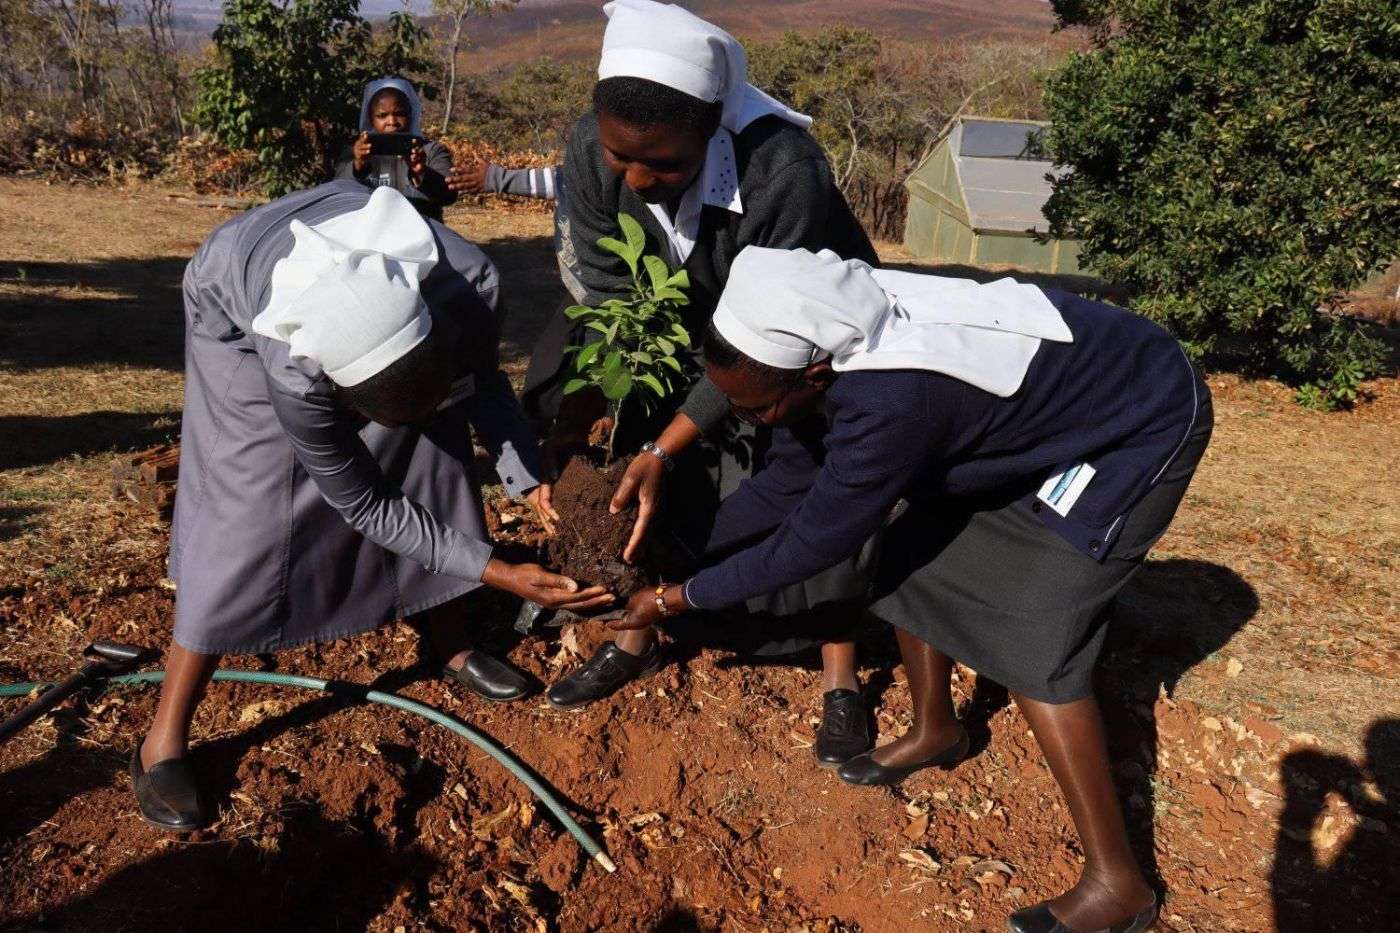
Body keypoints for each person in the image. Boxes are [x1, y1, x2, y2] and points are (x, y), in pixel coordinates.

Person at [615, 246, 1214, 933]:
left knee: (1037, 631)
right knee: (906, 560)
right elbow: (784, 484)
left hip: (1135, 421)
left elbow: (814, 539)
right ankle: (938, 729)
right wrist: (684, 557)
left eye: (757, 406)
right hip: (1037, 411)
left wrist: (675, 600)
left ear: (812, 376)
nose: (749, 419)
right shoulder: (819, 346)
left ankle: (1119, 883)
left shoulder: (892, 394)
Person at [135, 183, 613, 833]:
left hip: (386, 300)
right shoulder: (293, 369)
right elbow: (362, 499)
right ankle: (163, 739)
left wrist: (526, 478)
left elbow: (480, 379)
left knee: (434, 450)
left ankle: (450, 639)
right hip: (239, 295)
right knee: (245, 509)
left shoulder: (466, 282)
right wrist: (497, 569)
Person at [526, 1, 882, 770]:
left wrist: (668, 440)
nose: (641, 180)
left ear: (714, 124)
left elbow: (767, 346)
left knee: (816, 478)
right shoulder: (593, 150)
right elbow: (608, 295)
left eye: (666, 164)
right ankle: (636, 635)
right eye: (626, 160)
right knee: (644, 468)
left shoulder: (781, 169)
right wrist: (604, 419)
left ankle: (840, 674)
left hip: (797, 344)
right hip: (680, 327)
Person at [335, 78, 457, 221]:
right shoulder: (357, 152)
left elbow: (449, 196)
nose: (392, 122)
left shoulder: (432, 151)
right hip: (370, 234)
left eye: (399, 114)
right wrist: (358, 166)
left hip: (423, 233)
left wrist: (421, 173)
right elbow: (338, 198)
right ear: (370, 118)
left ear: (410, 115)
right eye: (382, 116)